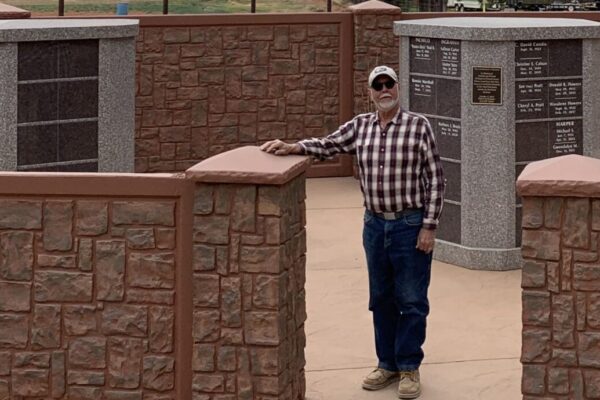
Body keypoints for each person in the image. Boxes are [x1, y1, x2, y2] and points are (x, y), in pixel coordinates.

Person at [260, 65, 445, 399]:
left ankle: (408, 367)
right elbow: (328, 144)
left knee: (412, 300)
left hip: (409, 226)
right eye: (379, 85)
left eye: (390, 84)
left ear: (398, 87)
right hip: (374, 225)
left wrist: (429, 227)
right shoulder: (360, 127)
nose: (385, 89)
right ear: (370, 91)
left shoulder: (419, 127)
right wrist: (293, 147)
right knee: (381, 299)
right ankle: (386, 364)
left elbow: (436, 179)